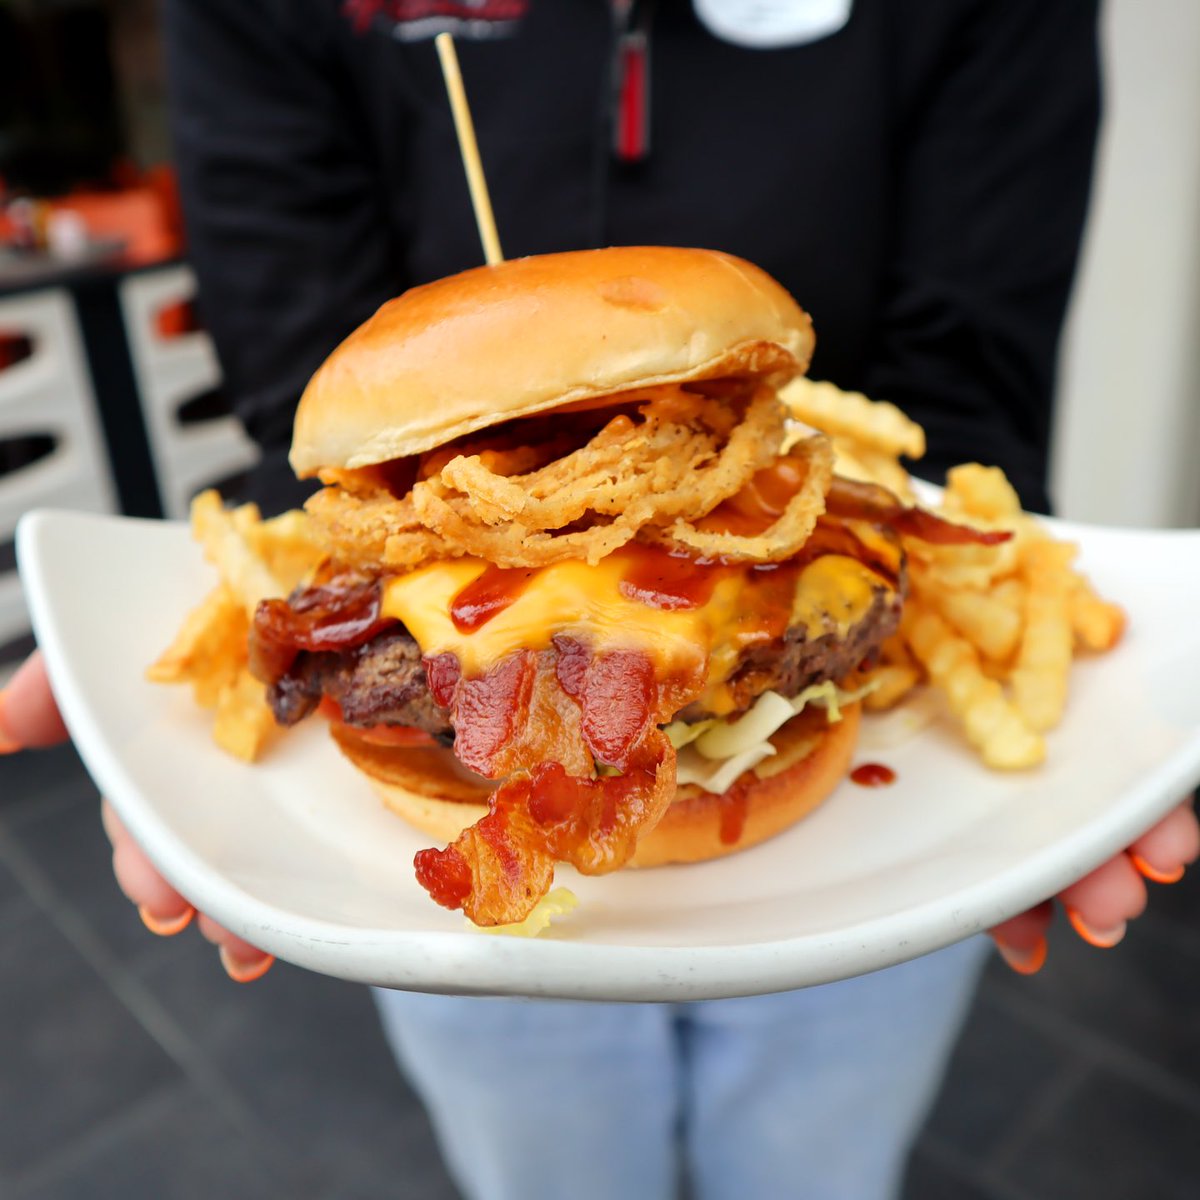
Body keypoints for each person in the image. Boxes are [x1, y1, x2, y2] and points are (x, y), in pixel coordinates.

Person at [3, 2, 1198, 1196]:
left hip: (867, 836)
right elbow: (291, 366)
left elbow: (974, 366)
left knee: (818, 1162)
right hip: (460, 902)